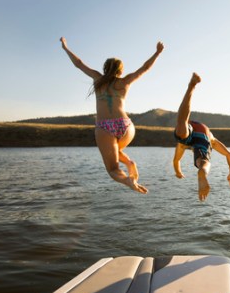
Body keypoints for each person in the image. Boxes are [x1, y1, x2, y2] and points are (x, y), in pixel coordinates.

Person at [60, 37, 164, 193]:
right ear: (120, 70)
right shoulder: (125, 81)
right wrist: (157, 53)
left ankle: (128, 180)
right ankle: (129, 163)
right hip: (126, 126)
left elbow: (79, 63)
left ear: (104, 68)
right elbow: (145, 68)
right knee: (115, 150)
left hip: (104, 127)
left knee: (112, 169)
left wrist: (65, 48)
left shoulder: (97, 79)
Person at [173, 73, 230, 201]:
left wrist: (178, 172)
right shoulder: (212, 139)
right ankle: (202, 170)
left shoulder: (182, 145)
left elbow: (176, 161)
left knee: (181, 126)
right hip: (205, 135)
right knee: (203, 160)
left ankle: (191, 87)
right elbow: (229, 154)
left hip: (190, 129)